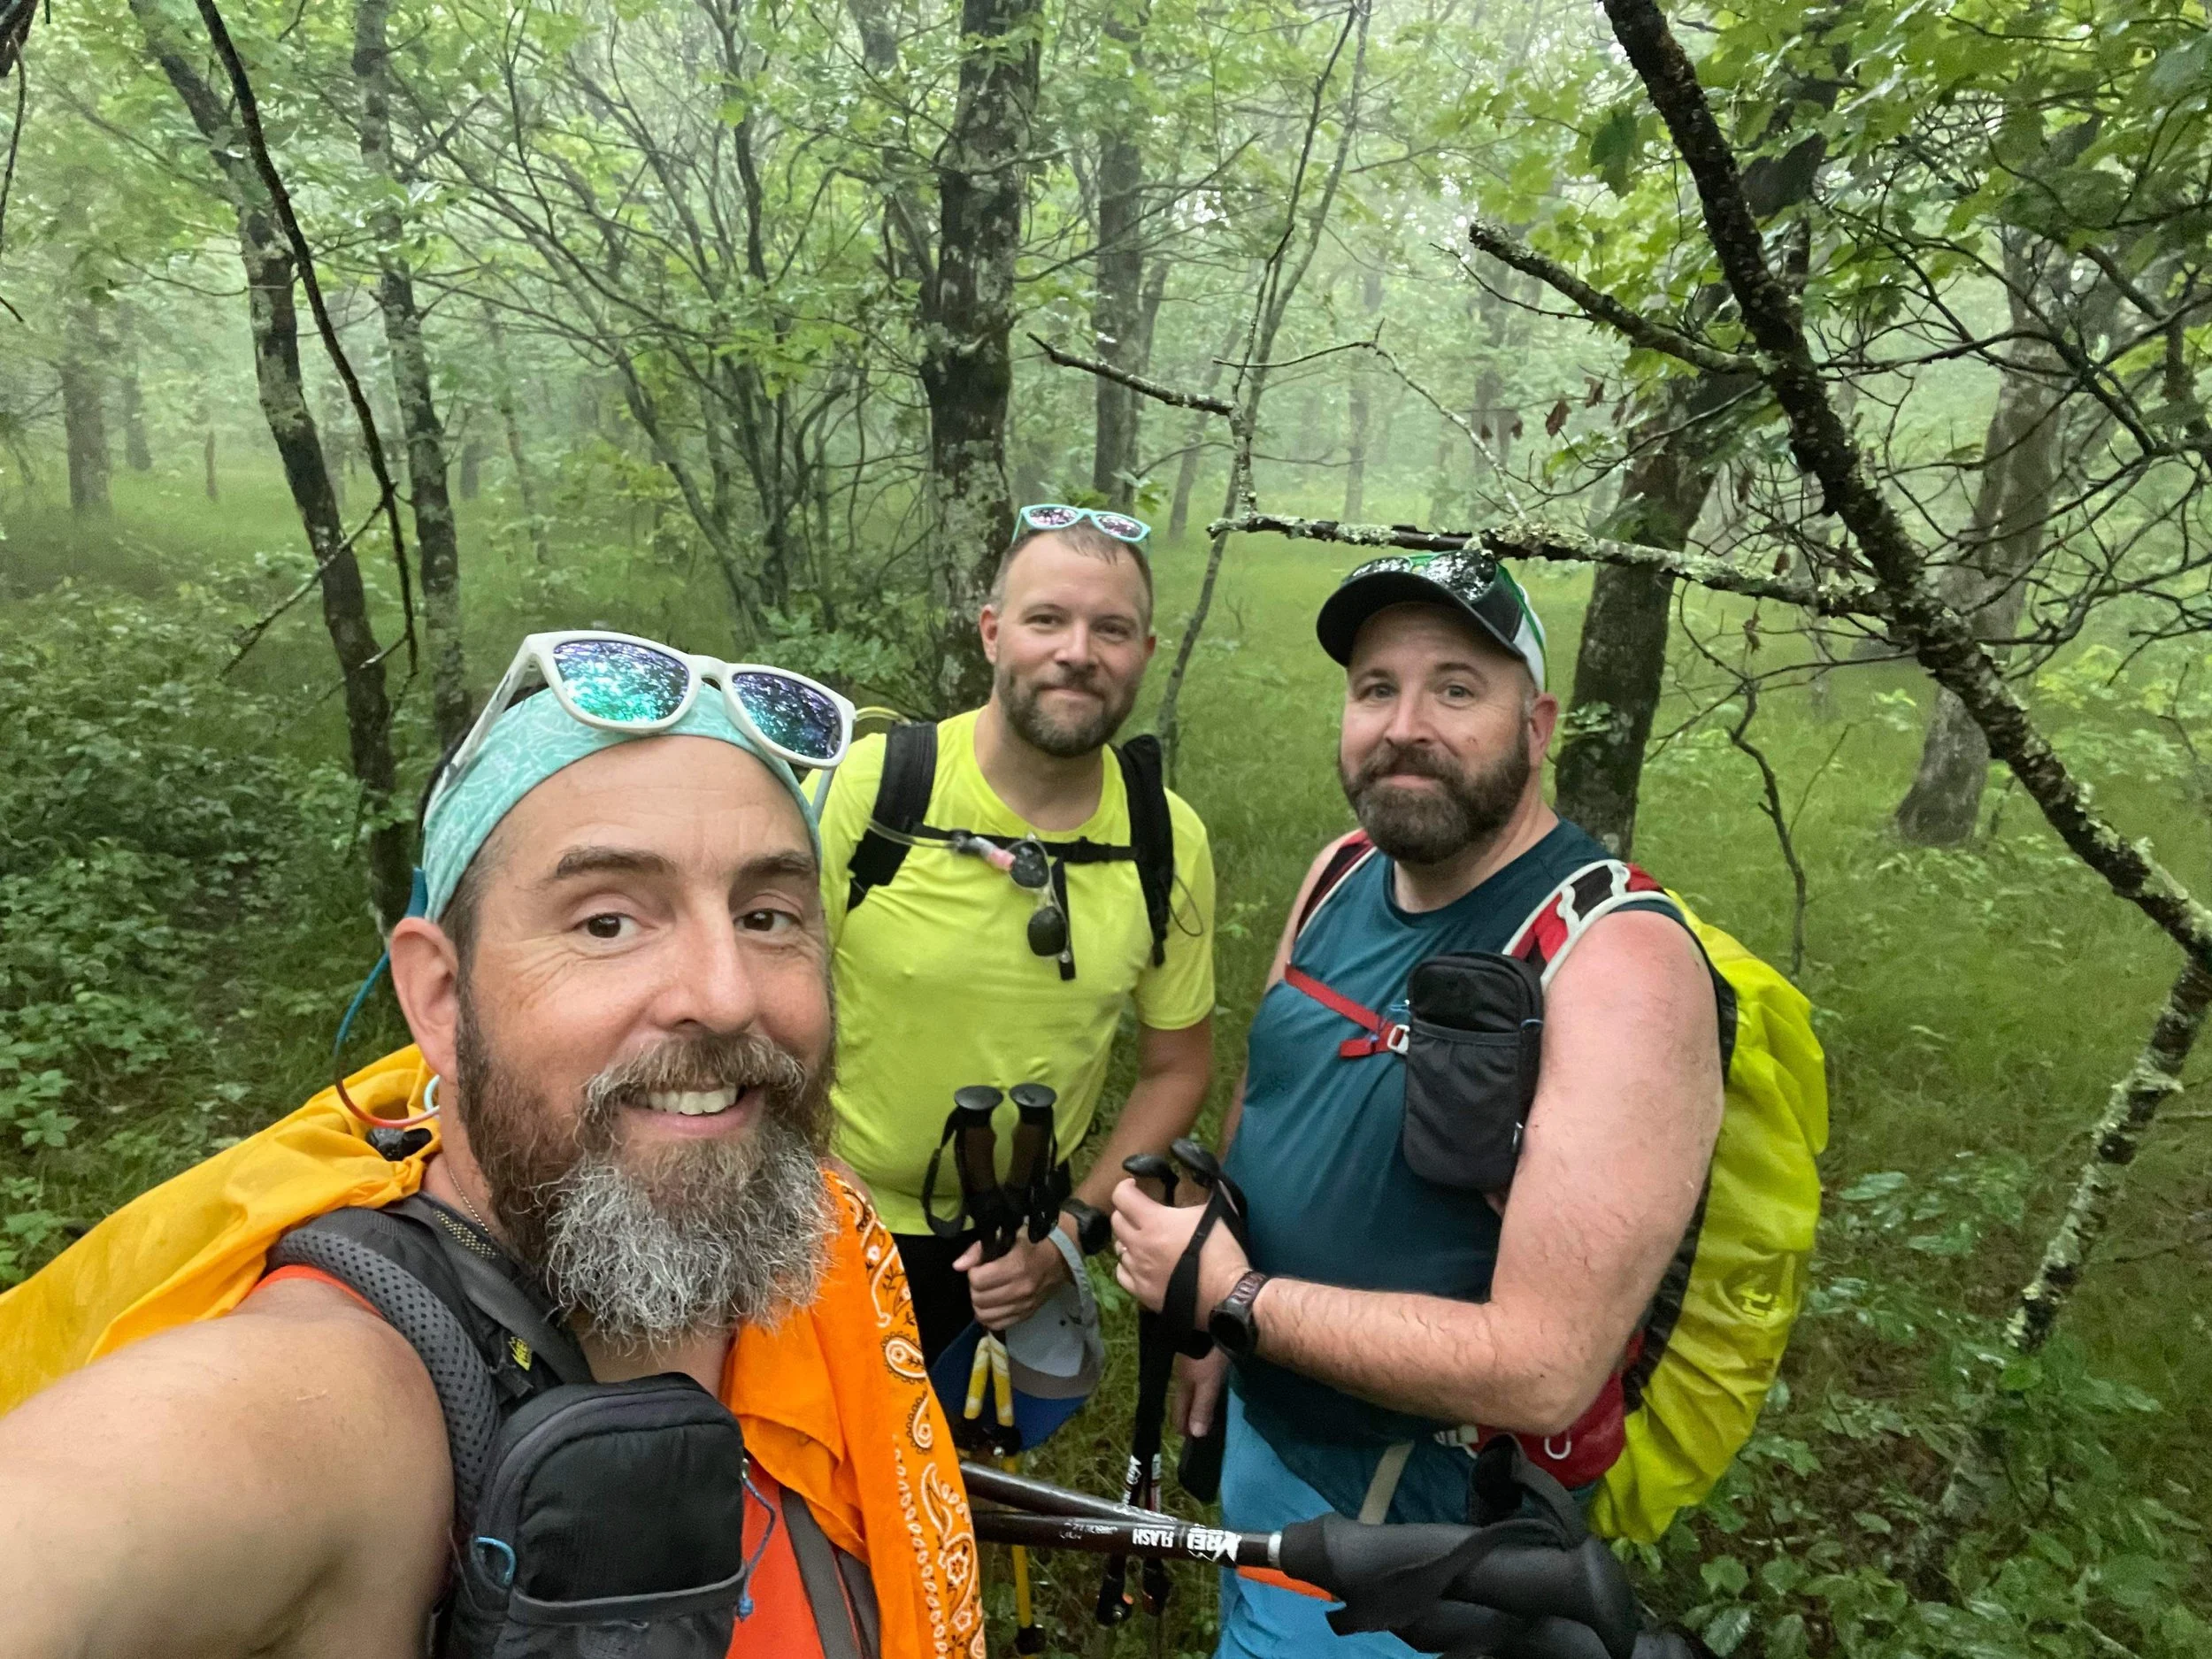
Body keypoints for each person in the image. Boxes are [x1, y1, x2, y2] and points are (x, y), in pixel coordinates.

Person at [0, 634, 983, 1659]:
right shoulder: (337, 1398)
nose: (726, 994)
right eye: (607, 923)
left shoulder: (815, 1235)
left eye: (767, 916)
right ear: (440, 996)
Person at [1110, 553, 1727, 1657]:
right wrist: (1216, 1312)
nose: (1404, 727)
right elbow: (1272, 1088)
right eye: (1375, 689)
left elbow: (1545, 1367)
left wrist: (1231, 1298)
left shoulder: (1619, 964)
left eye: (1455, 688)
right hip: (1265, 1428)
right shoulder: (1342, 870)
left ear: (1536, 725)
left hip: (1419, 1538)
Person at [817, 505, 1217, 1365]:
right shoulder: (876, 788)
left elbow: (1177, 1067)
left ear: (1144, 653)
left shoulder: (1167, 837)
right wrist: (812, 1176)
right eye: (1046, 619)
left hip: (1018, 1246)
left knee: (974, 1453)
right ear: (992, 632)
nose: (1078, 651)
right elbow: (759, 1003)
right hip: (827, 1220)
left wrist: (1067, 1237)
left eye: (1111, 629)